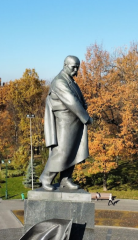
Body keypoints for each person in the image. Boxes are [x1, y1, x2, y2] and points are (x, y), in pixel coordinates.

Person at [39, 56, 93, 191]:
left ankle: (65, 178)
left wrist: (84, 105)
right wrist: (86, 117)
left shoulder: (71, 82)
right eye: (73, 67)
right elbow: (71, 101)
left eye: (77, 67)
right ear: (65, 65)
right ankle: (46, 178)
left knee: (73, 151)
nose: (76, 70)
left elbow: (79, 98)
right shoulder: (59, 81)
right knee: (62, 151)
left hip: (74, 122)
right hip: (65, 121)